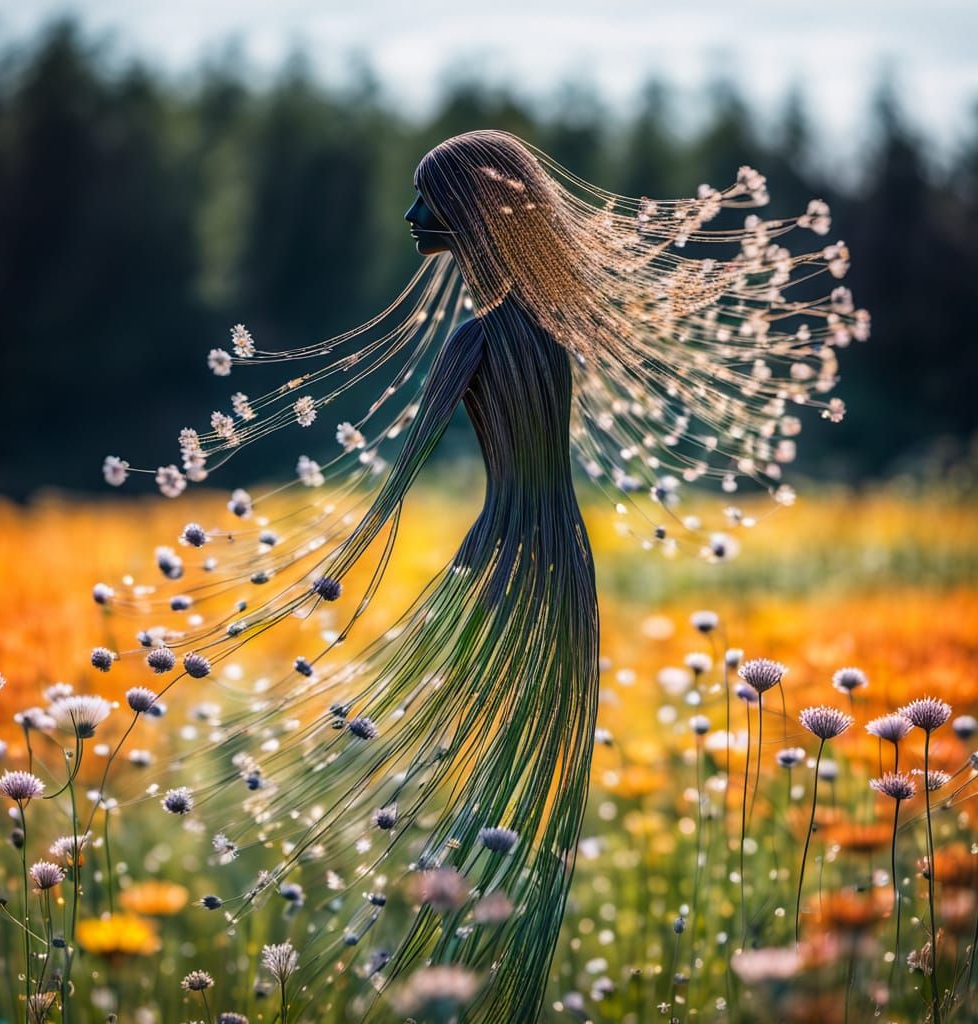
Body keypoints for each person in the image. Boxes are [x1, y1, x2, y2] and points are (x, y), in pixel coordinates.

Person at [101, 130, 866, 1020]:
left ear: (472, 217)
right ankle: (503, 964)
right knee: (526, 754)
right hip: (563, 553)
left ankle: (463, 966)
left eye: (430, 202)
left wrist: (309, 579)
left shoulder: (475, 340)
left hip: (502, 546)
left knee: (478, 748)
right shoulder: (551, 336)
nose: (412, 217)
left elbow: (393, 481)